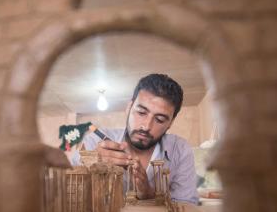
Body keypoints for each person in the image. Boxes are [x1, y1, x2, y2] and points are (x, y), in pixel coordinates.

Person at [72, 74, 199, 204]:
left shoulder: (180, 149)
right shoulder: (94, 141)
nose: (146, 126)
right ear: (129, 108)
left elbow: (187, 206)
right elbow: (67, 193)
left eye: (159, 119)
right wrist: (90, 167)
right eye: (141, 113)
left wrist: (150, 195)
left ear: (170, 123)